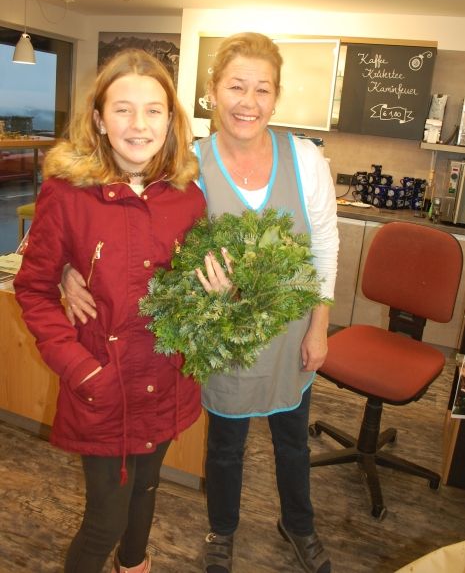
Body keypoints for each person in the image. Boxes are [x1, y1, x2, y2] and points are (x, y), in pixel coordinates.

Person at [62, 33, 339, 573]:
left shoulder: (305, 159)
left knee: (293, 441)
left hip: (291, 335)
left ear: (276, 97)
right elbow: (123, 223)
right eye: (236, 86)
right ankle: (222, 532)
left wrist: (320, 326)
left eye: (262, 89)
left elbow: (324, 244)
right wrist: (70, 268)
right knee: (226, 445)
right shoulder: (185, 163)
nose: (248, 101)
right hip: (217, 338)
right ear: (212, 91)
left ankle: (299, 525)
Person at [13, 49, 229, 573]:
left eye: (153, 110)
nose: (139, 125)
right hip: (104, 386)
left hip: (165, 380)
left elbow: (193, 291)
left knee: (147, 491)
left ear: (170, 121)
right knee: (104, 522)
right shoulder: (67, 195)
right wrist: (81, 369)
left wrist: (219, 295)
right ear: (99, 120)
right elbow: (33, 290)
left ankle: (133, 566)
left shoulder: (188, 198)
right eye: (123, 109)